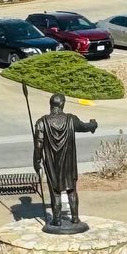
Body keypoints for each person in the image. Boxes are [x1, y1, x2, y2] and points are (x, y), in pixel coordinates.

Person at [31, 92, 98, 233]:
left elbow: (38, 146)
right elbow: (85, 127)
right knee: (71, 189)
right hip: (68, 163)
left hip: (52, 163)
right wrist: (93, 124)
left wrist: (37, 162)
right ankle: (75, 217)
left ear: (51, 105)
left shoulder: (41, 123)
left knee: (55, 191)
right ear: (62, 105)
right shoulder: (71, 120)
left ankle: (57, 219)